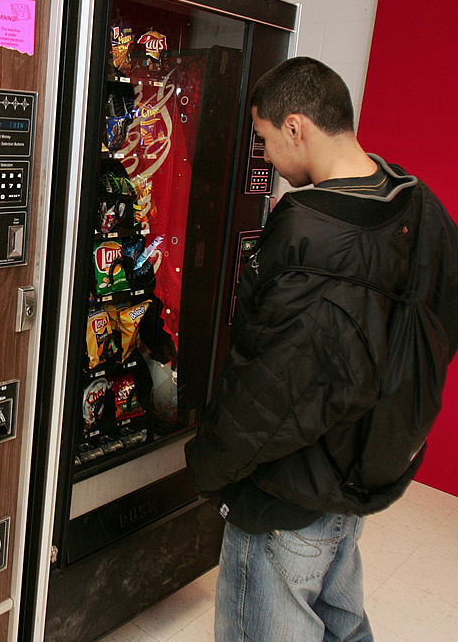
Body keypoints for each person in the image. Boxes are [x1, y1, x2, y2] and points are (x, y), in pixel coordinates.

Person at [184, 57, 458, 642]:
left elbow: (275, 390)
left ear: (295, 127)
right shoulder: (419, 204)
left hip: (287, 498)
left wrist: (209, 467)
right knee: (341, 624)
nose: (267, 163)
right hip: (354, 480)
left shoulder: (309, 231)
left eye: (263, 140)